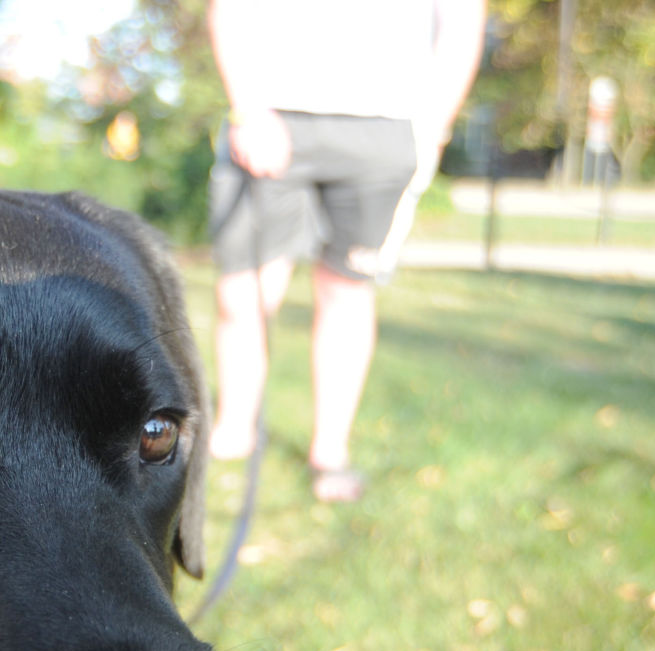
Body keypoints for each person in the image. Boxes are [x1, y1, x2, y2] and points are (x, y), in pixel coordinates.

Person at [206, 0, 486, 501]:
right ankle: (232, 433)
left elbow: (463, 23)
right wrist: (247, 109)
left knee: (347, 292)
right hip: (271, 117)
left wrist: (433, 129)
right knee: (243, 293)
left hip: (383, 130)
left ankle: (329, 452)